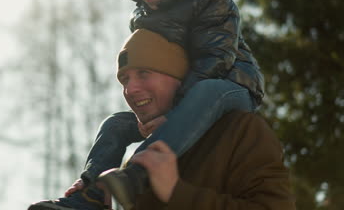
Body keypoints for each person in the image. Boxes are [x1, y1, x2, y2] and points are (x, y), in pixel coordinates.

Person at [28, 0, 264, 208]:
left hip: (231, 87)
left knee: (208, 90)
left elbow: (216, 57)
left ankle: (137, 173)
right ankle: (91, 195)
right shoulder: (142, 15)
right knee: (115, 124)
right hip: (182, 100)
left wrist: (176, 109)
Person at [63, 29, 295, 210]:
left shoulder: (240, 130)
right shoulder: (138, 161)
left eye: (144, 73)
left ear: (182, 80)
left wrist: (175, 191)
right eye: (124, 80)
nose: (130, 89)